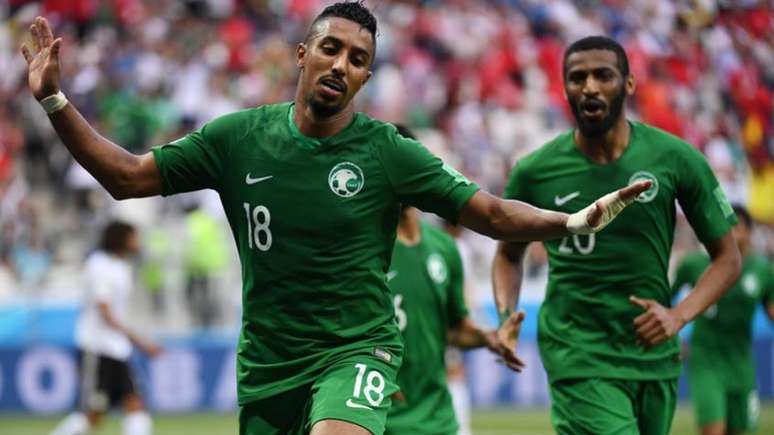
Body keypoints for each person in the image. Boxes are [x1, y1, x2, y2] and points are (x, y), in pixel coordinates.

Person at [22, 4, 649, 434]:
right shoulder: (238, 139)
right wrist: (54, 100)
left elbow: (487, 211)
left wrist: (570, 224)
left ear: (366, 76)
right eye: (331, 49)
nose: (341, 65)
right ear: (302, 54)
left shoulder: (387, 151)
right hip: (268, 363)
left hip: (358, 350)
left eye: (357, 58)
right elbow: (126, 178)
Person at [492, 36, 742, 435]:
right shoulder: (535, 171)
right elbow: (508, 255)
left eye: (602, 75)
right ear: (565, 89)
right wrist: (506, 317)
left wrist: (679, 315)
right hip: (578, 350)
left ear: (628, 84)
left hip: (652, 351)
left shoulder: (675, 159)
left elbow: (728, 258)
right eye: (577, 78)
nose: (589, 86)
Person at [384, 125, 508, 435]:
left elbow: (455, 330)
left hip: (440, 420)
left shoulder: (445, 249)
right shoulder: (364, 251)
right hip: (383, 422)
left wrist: (488, 338)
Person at [50, 221, 161, 435]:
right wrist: (141, 342)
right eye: (133, 237)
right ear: (121, 239)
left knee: (135, 406)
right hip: (98, 348)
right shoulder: (99, 264)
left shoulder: (121, 266)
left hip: (117, 349)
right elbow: (105, 312)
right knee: (92, 415)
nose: (137, 242)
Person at [673, 205, 774, 435]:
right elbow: (665, 296)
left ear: (749, 232)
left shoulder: (762, 271)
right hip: (706, 360)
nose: (731, 233)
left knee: (738, 430)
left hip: (741, 363)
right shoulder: (694, 264)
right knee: (714, 430)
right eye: (727, 227)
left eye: (737, 227)